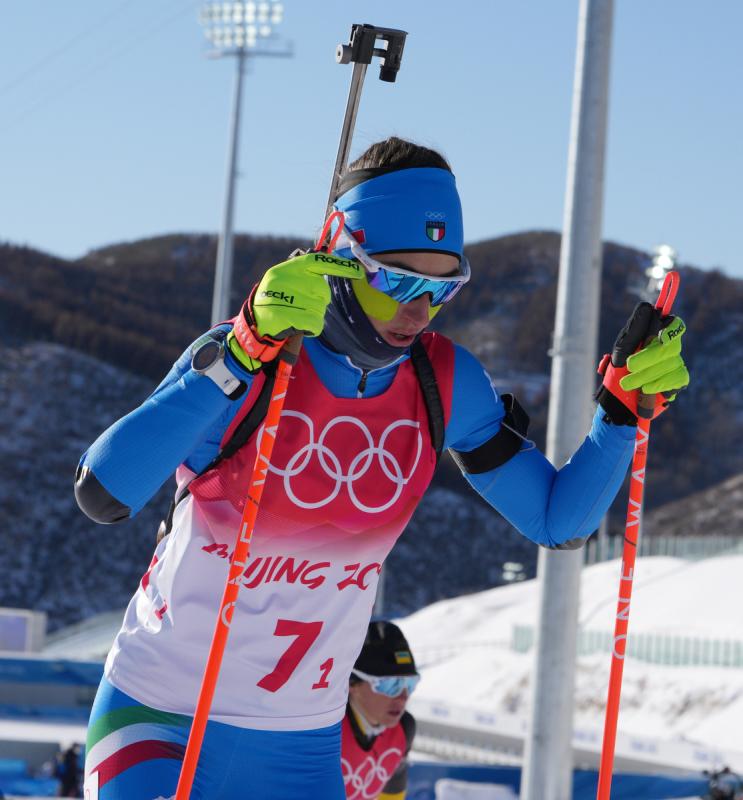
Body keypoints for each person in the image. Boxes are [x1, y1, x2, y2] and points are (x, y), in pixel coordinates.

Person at [75, 137, 690, 799]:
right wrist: (244, 349)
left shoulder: (444, 382)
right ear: (339, 257)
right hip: (163, 716)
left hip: (299, 741)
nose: (417, 310)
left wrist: (621, 413)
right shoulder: (251, 357)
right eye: (394, 280)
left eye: (441, 288)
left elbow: (557, 522)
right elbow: (103, 492)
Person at [342, 621, 418, 800]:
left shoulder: (403, 730)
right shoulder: (324, 728)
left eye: (410, 684)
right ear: (352, 683)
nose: (403, 696)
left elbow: (392, 793)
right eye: (390, 685)